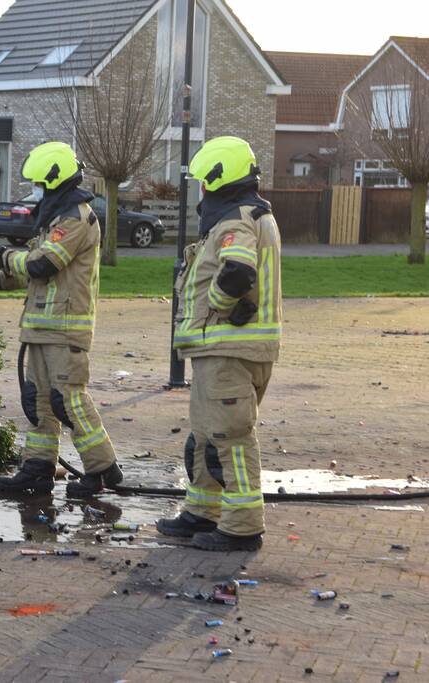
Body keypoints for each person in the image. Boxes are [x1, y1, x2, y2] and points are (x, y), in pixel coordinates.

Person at [0, 141, 122, 498]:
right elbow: (35, 270)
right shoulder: (56, 216)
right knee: (39, 402)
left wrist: (3, 254)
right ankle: (37, 469)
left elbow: (42, 263)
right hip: (42, 327)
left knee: (68, 400)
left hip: (65, 327)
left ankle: (101, 470)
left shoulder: (76, 218)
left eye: (39, 184)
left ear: (55, 180)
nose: (35, 191)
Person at [156, 136, 282, 552]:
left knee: (230, 438)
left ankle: (242, 526)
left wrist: (216, 304)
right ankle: (202, 511)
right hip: (221, 351)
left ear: (218, 178)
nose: (202, 192)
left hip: (229, 350)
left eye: (204, 183)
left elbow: (238, 272)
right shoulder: (247, 215)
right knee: (208, 437)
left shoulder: (235, 222)